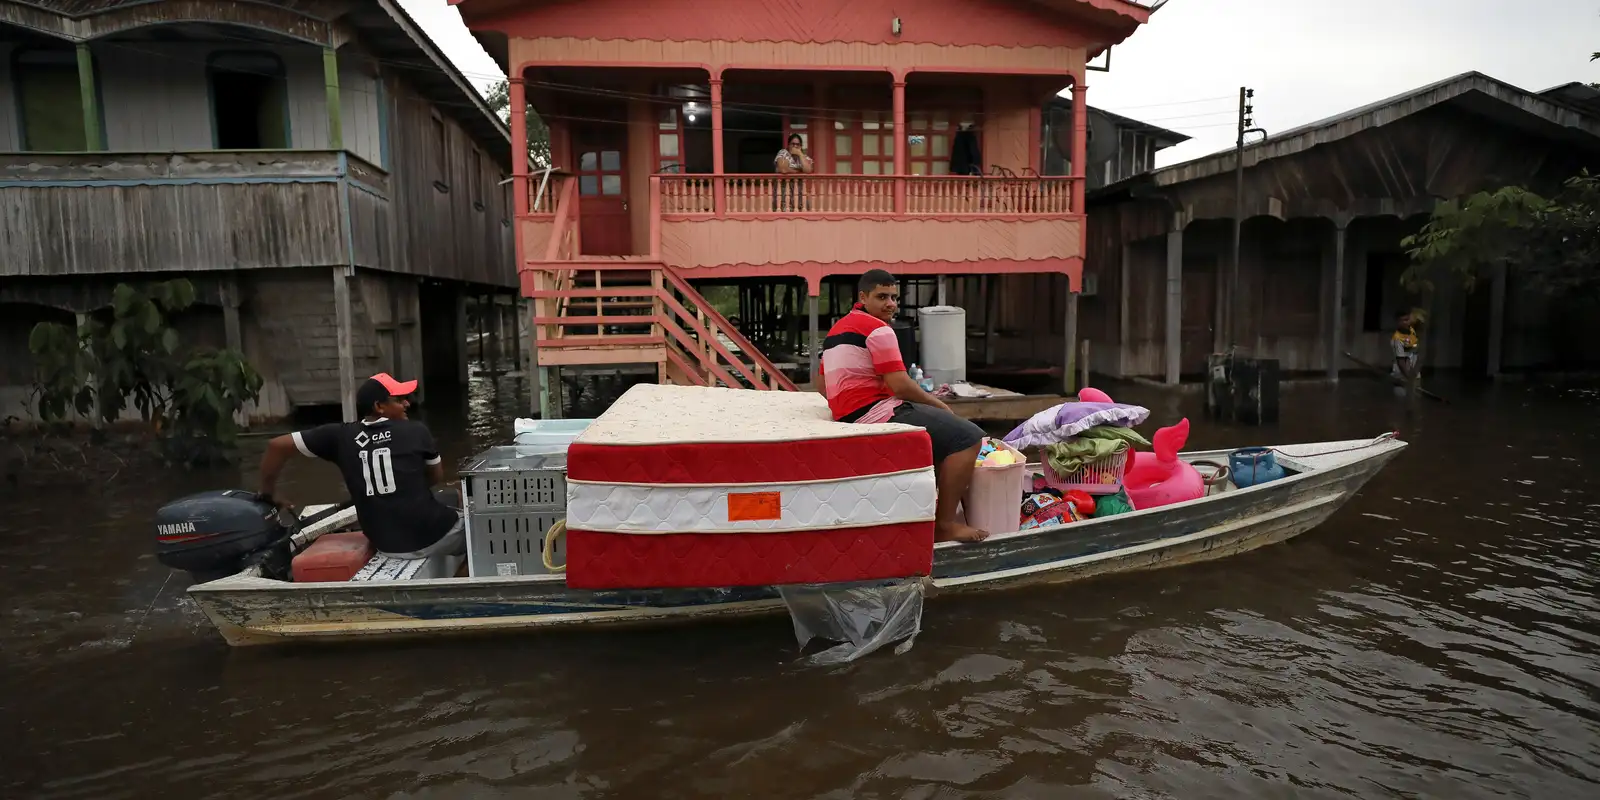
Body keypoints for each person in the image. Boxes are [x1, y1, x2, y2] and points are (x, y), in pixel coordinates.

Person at [819, 269, 990, 543]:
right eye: (882, 297)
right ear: (863, 297)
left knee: (938, 439)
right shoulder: (878, 329)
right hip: (876, 412)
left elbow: (822, 386)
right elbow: (899, 384)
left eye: (894, 297)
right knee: (968, 437)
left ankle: (927, 513)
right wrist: (938, 404)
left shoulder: (836, 332)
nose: (891, 304)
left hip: (849, 417)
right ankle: (945, 524)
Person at [258, 373, 466, 561]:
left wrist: (268, 496)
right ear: (379, 406)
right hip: (433, 535)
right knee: (482, 527)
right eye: (400, 399)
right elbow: (434, 477)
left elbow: (276, 446)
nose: (407, 404)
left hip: (386, 545)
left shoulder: (339, 436)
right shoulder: (417, 431)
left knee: (449, 496)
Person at [773, 133, 812, 212]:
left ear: (800, 146)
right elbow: (783, 169)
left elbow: (808, 170)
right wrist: (799, 170)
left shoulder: (803, 156)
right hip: (784, 194)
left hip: (800, 194)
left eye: (797, 144)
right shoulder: (783, 152)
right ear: (788, 145)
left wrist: (800, 154)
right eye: (793, 144)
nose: (795, 146)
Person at [1391, 312, 1420, 384]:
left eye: (1407, 320)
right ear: (1397, 322)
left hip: (1414, 376)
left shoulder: (1412, 331)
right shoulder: (1397, 338)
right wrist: (1409, 378)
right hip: (1402, 378)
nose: (1405, 323)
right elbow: (1401, 361)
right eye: (1402, 320)